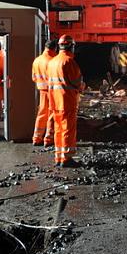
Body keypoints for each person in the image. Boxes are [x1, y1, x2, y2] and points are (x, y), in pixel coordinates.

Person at [48, 34, 83, 168]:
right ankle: (67, 158)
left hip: (54, 102)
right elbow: (77, 83)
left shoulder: (52, 62)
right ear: (70, 46)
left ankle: (59, 157)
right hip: (66, 101)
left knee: (58, 129)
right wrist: (81, 86)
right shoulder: (69, 61)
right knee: (68, 129)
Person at [31, 40, 58, 146]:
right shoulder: (53, 60)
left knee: (41, 113)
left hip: (42, 91)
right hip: (52, 91)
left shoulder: (37, 60)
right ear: (55, 48)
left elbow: (34, 78)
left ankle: (37, 138)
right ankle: (48, 139)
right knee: (52, 114)